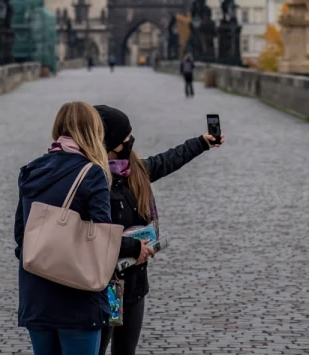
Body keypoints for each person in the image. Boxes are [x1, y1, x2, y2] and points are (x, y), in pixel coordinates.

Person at [94, 104, 223, 355]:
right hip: (106, 285)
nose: (131, 140)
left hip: (135, 283)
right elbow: (91, 234)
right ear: (108, 143)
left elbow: (167, 161)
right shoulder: (93, 182)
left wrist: (201, 143)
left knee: (125, 351)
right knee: (97, 348)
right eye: (126, 137)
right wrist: (130, 246)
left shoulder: (135, 171)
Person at [15, 102, 115, 355]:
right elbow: (101, 239)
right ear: (94, 132)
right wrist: (135, 246)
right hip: (78, 298)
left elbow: (21, 235)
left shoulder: (32, 170)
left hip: (36, 295)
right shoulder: (92, 173)